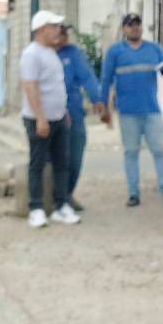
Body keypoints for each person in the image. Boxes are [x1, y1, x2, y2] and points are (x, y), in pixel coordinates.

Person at [100, 12, 163, 207]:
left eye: (137, 24)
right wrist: (103, 106)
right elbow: (106, 79)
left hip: (152, 110)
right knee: (131, 153)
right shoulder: (115, 52)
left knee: (160, 151)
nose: (134, 28)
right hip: (128, 112)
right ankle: (133, 194)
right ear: (124, 29)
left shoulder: (154, 49)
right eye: (130, 25)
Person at [20, 10, 79, 228]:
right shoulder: (31, 54)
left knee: (62, 163)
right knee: (37, 163)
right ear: (42, 29)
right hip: (40, 119)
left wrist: (64, 113)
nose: (58, 30)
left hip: (59, 118)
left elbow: (56, 86)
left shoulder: (51, 53)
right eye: (54, 27)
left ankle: (61, 205)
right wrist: (40, 118)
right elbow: (31, 87)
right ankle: (35, 208)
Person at [55, 23, 107, 211]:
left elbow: (88, 77)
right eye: (61, 34)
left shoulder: (73, 53)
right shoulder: (43, 53)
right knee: (54, 158)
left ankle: (67, 194)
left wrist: (97, 99)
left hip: (74, 112)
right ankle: (52, 197)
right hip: (51, 112)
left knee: (75, 155)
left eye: (65, 34)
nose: (64, 38)